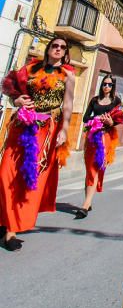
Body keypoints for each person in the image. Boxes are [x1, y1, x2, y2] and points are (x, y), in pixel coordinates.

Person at [0, 38, 74, 251]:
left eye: (62, 47)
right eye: (55, 45)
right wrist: (17, 100)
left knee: (28, 178)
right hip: (21, 125)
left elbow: (68, 105)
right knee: (6, 172)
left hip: (45, 130)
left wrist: (65, 130)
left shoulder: (68, 74)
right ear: (49, 49)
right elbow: (11, 86)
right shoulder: (31, 68)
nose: (58, 49)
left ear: (65, 52)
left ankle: (11, 229)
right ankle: (4, 218)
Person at [76, 74, 123, 218]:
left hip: (105, 138)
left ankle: (85, 205)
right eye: (105, 84)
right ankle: (88, 201)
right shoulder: (95, 100)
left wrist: (111, 123)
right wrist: (96, 119)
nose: (107, 87)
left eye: (110, 85)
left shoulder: (116, 101)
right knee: (89, 168)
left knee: (96, 168)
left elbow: (119, 119)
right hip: (92, 136)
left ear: (113, 87)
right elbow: (86, 117)